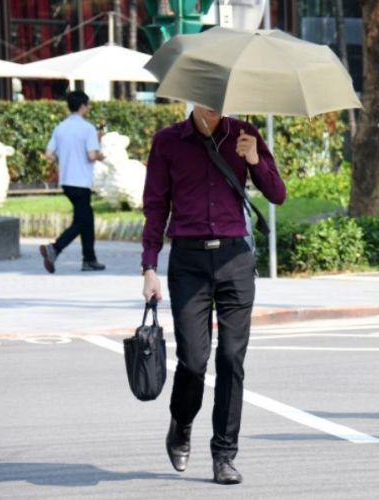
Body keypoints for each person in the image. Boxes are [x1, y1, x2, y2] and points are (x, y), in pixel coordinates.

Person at [141, 105, 286, 485]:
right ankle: (182, 423)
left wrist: (254, 159)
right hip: (188, 262)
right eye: (207, 95)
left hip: (235, 260)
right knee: (193, 360)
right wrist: (149, 266)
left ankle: (224, 454)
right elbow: (156, 206)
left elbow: (278, 194)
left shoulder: (244, 134)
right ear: (192, 95)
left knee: (231, 358)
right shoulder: (168, 141)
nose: (215, 104)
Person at [39, 91, 105, 273]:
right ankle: (55, 248)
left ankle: (89, 259)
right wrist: (101, 154)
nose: (89, 108)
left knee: (86, 218)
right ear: (83, 106)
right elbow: (92, 155)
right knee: (82, 222)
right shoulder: (88, 128)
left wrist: (64, 157)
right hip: (82, 181)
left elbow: (49, 154)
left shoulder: (60, 127)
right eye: (88, 105)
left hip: (67, 180)